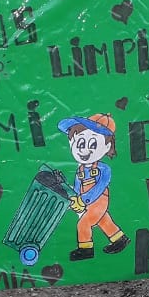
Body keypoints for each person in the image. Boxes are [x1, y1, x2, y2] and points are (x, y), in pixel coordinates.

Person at [57, 112, 131, 261]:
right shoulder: (80, 170)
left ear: (106, 147)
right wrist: (76, 200)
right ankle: (119, 239)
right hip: (86, 200)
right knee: (103, 220)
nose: (84, 150)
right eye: (81, 143)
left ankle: (86, 249)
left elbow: (100, 187)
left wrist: (84, 200)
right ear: (71, 142)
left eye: (92, 145)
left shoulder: (104, 169)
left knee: (84, 223)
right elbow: (78, 187)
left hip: (99, 200)